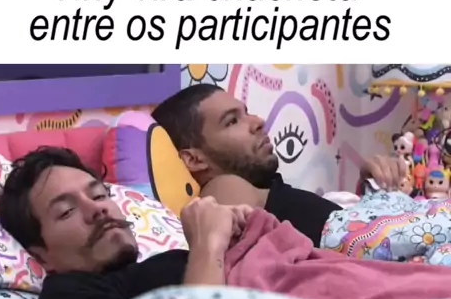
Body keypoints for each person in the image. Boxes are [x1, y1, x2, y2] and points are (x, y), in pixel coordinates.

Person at [0, 147, 251, 299]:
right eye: (66, 211)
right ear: (42, 256)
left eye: (99, 195)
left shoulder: (164, 263)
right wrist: (208, 245)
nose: (97, 209)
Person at [151, 85, 407, 248]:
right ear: (194, 160)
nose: (258, 121)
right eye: (231, 121)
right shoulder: (222, 188)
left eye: (246, 112)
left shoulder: (262, 190)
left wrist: (371, 193)